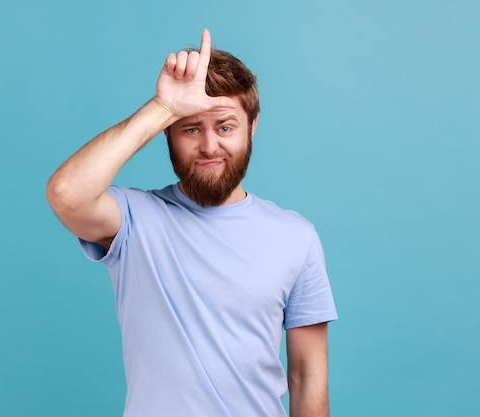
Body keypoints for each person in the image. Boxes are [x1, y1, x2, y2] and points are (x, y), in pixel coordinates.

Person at [47, 29, 337, 417]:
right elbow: (67, 193)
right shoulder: (134, 219)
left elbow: (308, 376)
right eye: (190, 128)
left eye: (225, 126)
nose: (209, 146)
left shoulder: (296, 237)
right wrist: (164, 107)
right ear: (168, 134)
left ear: (252, 127)